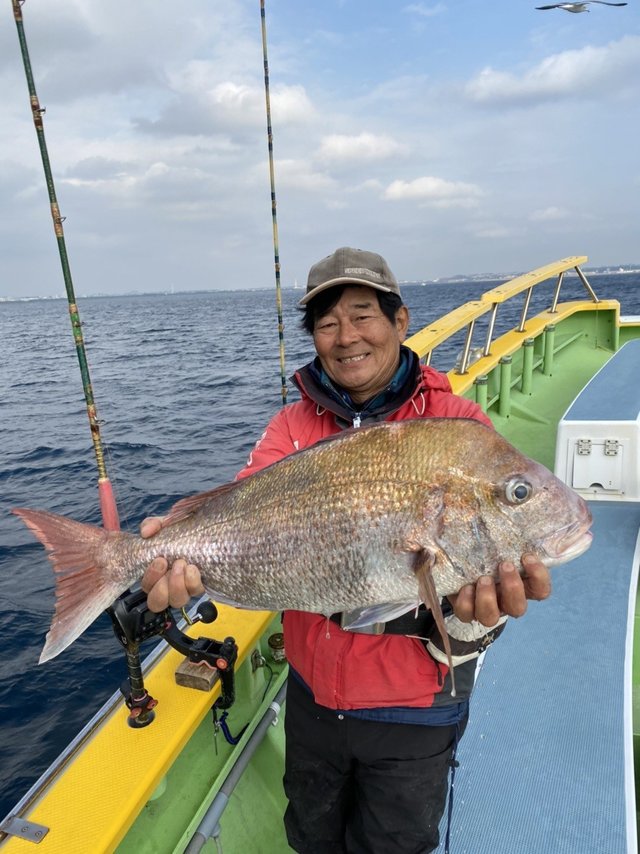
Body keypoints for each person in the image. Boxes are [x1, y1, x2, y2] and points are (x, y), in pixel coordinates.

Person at [141, 247, 551, 854]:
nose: (346, 336)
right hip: (311, 696)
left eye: (362, 316)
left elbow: (473, 564)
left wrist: (477, 618)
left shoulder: (457, 425)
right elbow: (242, 517)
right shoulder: (291, 427)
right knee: (312, 839)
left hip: (415, 705)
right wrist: (184, 555)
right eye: (327, 323)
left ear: (400, 321)